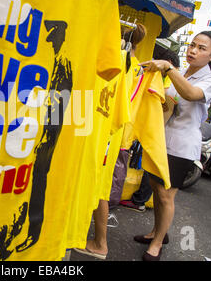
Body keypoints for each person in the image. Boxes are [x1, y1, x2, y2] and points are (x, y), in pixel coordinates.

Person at [135, 31, 211, 261]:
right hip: (161, 139)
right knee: (155, 187)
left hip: (182, 146)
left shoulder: (209, 81)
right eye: (192, 45)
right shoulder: (182, 72)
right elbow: (168, 98)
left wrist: (167, 67)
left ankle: (156, 244)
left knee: (165, 196)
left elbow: (191, 94)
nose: (193, 50)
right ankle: (157, 233)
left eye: (201, 48)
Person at [74, 23, 147, 260]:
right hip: (112, 133)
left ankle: (99, 243)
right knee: (98, 187)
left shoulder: (117, 61)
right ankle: (87, 237)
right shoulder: (137, 67)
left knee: (96, 187)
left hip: (102, 131)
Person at [120, 48, 181, 213]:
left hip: (159, 131)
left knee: (153, 172)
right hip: (156, 129)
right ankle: (141, 201)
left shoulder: (166, 81)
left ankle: (140, 201)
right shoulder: (163, 80)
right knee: (150, 169)